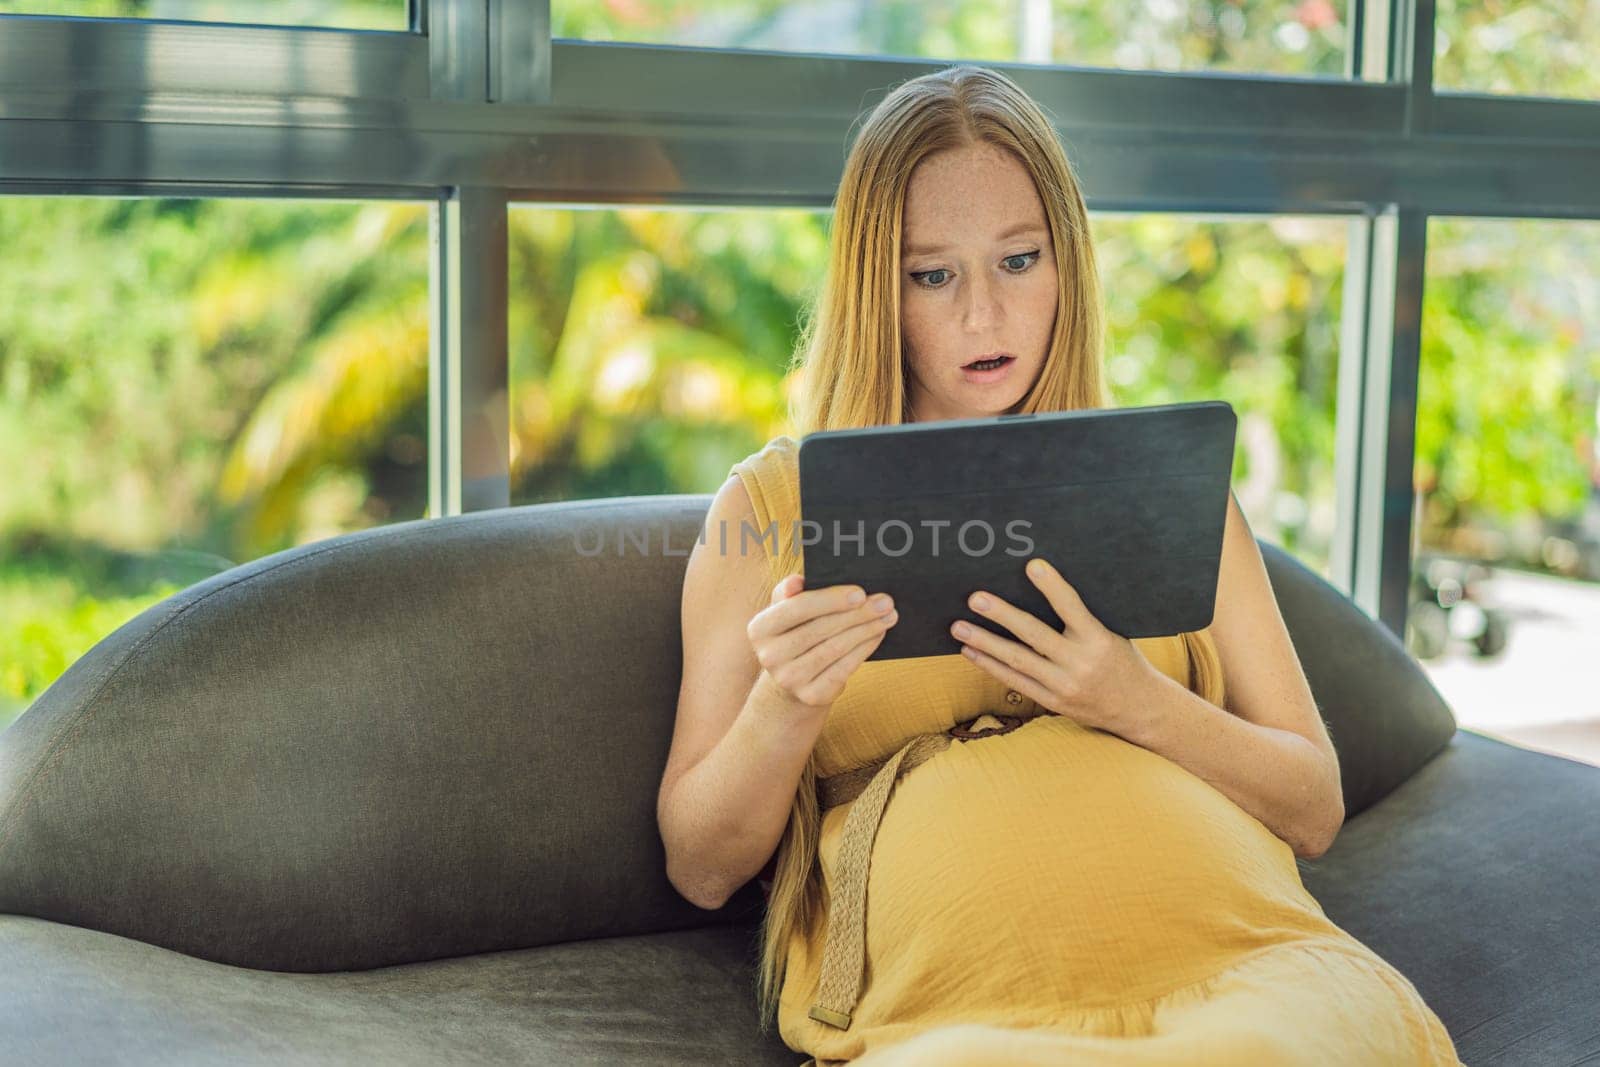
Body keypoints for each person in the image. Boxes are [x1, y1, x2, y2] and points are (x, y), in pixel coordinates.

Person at [657, 65, 1461, 1066]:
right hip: (963, 1017)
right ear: (876, 283)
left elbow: (1312, 805)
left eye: (1019, 259)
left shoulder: (1174, 489)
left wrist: (1134, 699)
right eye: (931, 273)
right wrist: (782, 701)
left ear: (1066, 263)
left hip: (1256, 974)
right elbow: (698, 865)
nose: (983, 316)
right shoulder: (773, 508)